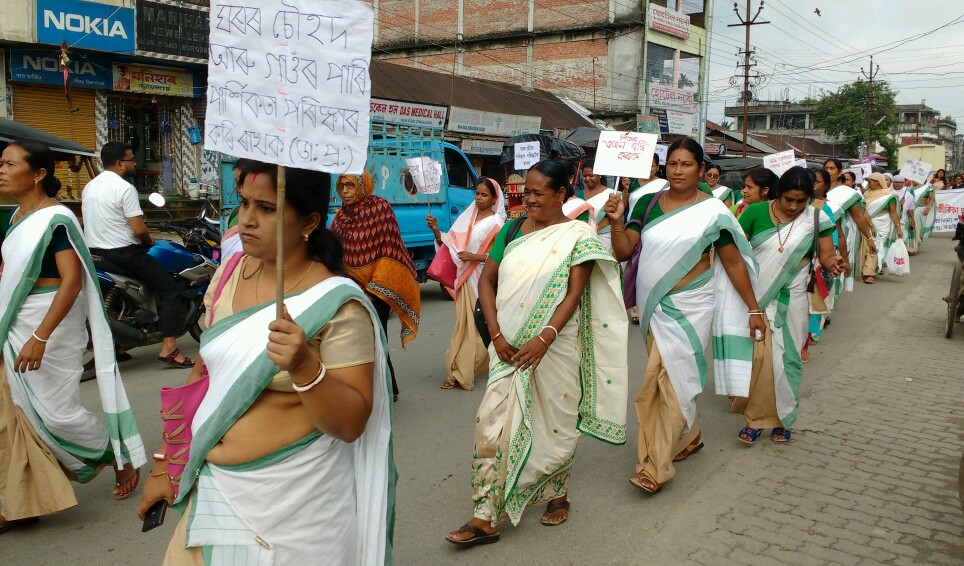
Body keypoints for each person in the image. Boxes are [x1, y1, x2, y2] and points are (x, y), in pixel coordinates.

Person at [138, 162, 394, 564]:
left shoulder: (337, 304)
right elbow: (203, 377)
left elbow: (351, 424)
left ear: (309, 221)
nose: (247, 220)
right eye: (243, 204)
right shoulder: (231, 272)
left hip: (296, 508)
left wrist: (305, 367)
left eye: (268, 208)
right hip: (216, 489)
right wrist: (164, 465)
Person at [445, 160, 627, 546]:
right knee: (490, 424)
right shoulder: (511, 228)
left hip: (554, 346)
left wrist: (543, 339)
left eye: (537, 193)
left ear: (561, 194)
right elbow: (488, 282)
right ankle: (485, 514)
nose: (527, 199)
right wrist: (495, 335)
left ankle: (556, 493)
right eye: (524, 192)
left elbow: (574, 292)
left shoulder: (578, 235)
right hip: (507, 345)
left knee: (554, 423)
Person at [0, 139, 146, 532]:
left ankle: (115, 456)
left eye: (10, 163)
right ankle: (19, 494)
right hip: (15, 320)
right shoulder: (16, 217)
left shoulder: (57, 220)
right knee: (15, 409)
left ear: (38, 174)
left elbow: (71, 281)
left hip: (50, 323)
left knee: (56, 411)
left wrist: (40, 336)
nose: (1, 169)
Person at [606, 138, 765, 494]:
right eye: (672, 164)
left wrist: (753, 307)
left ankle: (655, 465)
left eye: (686, 164)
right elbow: (623, 252)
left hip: (693, 305)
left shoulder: (713, 211)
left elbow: (734, 261)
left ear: (700, 168)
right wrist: (616, 222)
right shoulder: (646, 202)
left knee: (669, 382)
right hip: (652, 307)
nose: (678, 170)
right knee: (666, 378)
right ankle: (690, 437)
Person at [731, 167, 843, 443]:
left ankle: (784, 418)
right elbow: (733, 250)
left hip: (794, 296)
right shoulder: (754, 213)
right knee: (760, 358)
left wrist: (834, 263)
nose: (794, 207)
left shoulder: (816, 219)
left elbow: (827, 255)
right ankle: (756, 420)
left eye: (801, 201)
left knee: (790, 356)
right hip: (758, 295)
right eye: (788, 200)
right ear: (777, 194)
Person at [81, 141, 193, 367]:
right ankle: (169, 347)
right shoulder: (125, 188)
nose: (135, 163)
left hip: (95, 254)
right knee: (169, 290)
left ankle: (120, 345)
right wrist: (148, 239)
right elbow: (139, 229)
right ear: (120, 163)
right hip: (124, 254)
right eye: (132, 159)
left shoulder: (90, 187)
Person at [330, 171, 420, 402]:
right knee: (353, 341)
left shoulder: (380, 209)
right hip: (349, 290)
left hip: (376, 289)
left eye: (350, 185)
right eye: (341, 186)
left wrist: (372, 289)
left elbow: (389, 250)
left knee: (376, 339)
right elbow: (335, 252)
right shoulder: (340, 216)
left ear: (363, 185)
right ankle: (366, 389)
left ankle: (389, 389)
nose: (345, 191)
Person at [426, 178, 506, 390]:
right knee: (464, 326)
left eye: (484, 195)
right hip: (464, 278)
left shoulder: (497, 224)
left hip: (481, 279)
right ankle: (461, 369)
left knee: (477, 328)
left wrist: (474, 257)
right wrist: (436, 230)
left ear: (494, 199)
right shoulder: (468, 219)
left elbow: (501, 257)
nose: (479, 198)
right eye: (477, 194)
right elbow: (451, 243)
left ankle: (463, 372)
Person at [825, 159, 876, 293]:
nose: (829, 171)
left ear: (839, 172)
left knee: (835, 266)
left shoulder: (846, 193)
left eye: (832, 168)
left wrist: (869, 238)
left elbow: (858, 217)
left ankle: (829, 303)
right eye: (826, 168)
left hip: (840, 233)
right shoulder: (816, 189)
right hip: (820, 234)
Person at [860, 172, 902, 284]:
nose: (868, 184)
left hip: (883, 222)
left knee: (877, 245)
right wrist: (871, 225)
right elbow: (864, 211)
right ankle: (868, 270)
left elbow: (893, 213)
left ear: (877, 182)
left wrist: (898, 228)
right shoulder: (866, 194)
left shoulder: (889, 195)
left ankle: (870, 272)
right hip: (867, 222)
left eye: (870, 181)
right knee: (868, 245)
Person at [913, 181, 936, 245]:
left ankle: (917, 243)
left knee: (919, 226)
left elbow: (932, 199)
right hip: (911, 210)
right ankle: (914, 244)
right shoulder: (910, 187)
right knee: (912, 227)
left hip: (921, 209)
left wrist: (928, 208)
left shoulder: (927, 187)